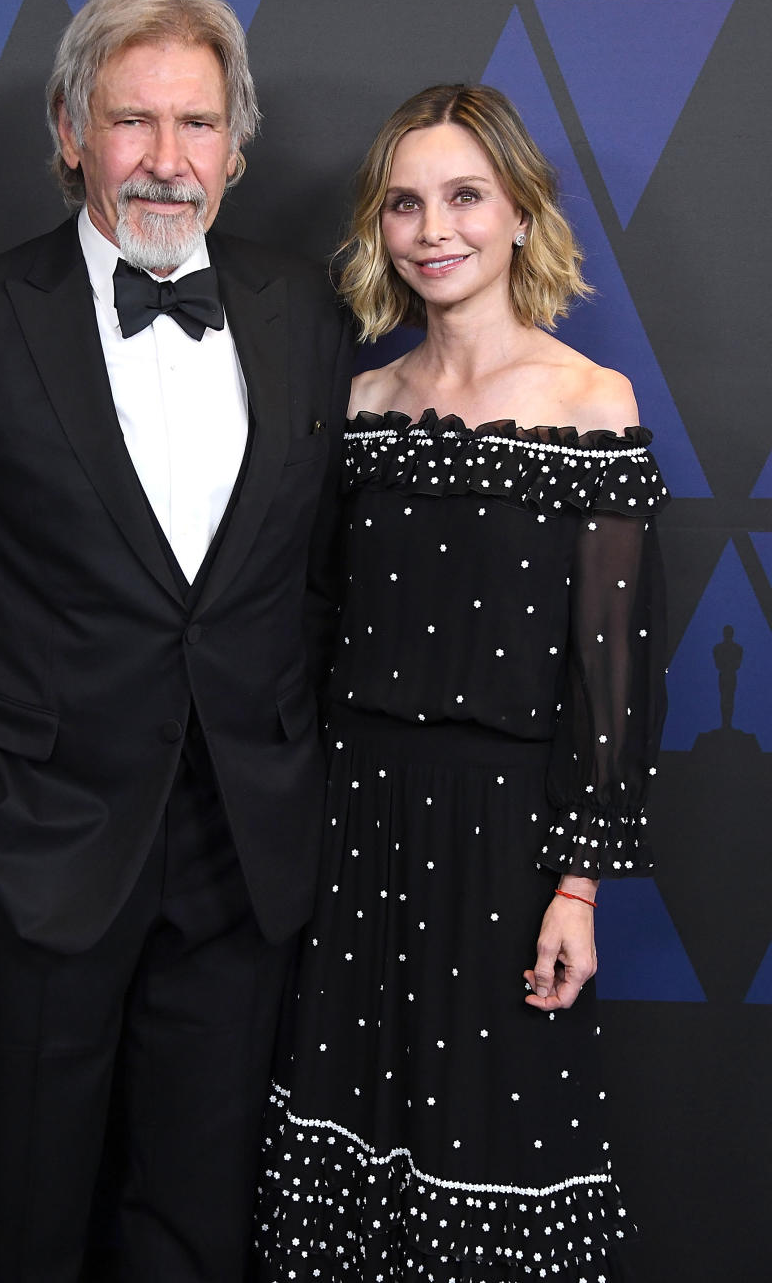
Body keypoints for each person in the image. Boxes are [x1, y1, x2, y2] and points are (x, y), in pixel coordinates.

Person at [0, 0, 351, 1283]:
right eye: (133, 122)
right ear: (71, 131)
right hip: (43, 833)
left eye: (197, 125)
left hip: (244, 839)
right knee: (33, 1208)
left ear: (238, 150)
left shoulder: (307, 312)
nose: (166, 159)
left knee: (199, 1212)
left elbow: (310, 568)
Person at [255, 84, 669, 1282]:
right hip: (354, 827)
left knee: (497, 1159)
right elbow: (314, 623)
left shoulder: (592, 403)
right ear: (379, 229)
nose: (433, 227)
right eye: (404, 202)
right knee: (344, 1160)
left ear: (522, 215)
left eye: (465, 195)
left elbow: (614, 681)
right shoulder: (361, 406)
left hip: (508, 842)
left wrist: (577, 887)